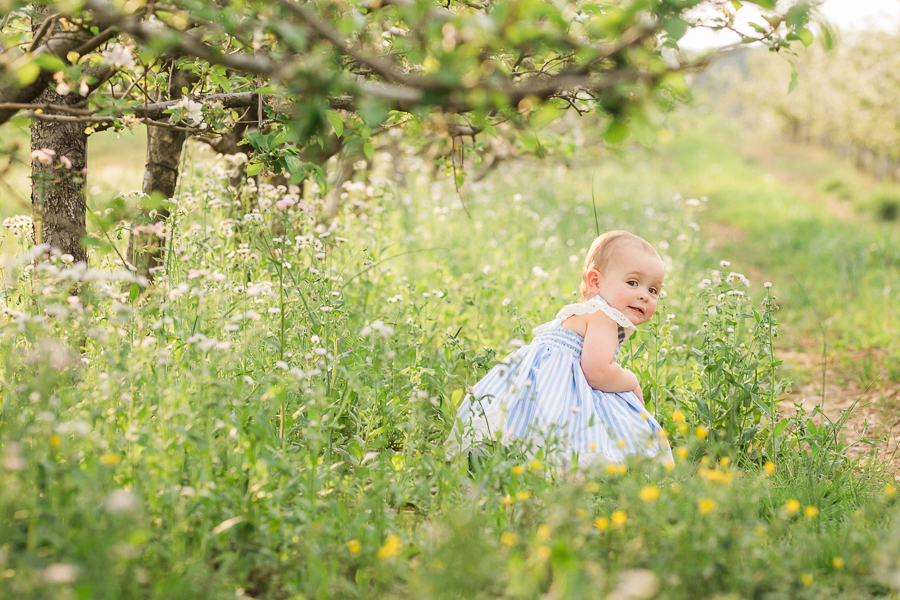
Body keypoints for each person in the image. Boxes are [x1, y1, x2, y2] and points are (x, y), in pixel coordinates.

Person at [446, 230, 674, 470]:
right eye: (633, 283)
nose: (644, 296)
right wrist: (632, 381)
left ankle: (496, 452)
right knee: (579, 430)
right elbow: (597, 373)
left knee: (522, 426)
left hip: (538, 379)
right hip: (557, 383)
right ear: (595, 281)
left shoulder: (589, 311)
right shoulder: (604, 316)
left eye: (653, 290)